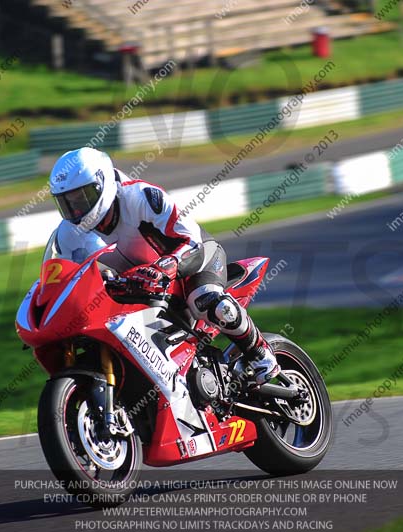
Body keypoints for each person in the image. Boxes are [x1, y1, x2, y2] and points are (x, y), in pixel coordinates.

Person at [47, 147, 280, 385]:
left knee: (205, 299)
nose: (76, 210)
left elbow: (192, 239)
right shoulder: (67, 234)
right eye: (67, 203)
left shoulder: (141, 196)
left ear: (103, 183)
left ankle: (259, 353)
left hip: (193, 261)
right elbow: (62, 278)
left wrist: (165, 267)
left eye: (81, 198)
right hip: (139, 287)